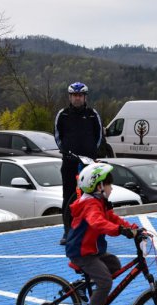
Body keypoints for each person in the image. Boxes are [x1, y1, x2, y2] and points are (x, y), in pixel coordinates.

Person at [65, 163, 138, 305]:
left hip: (93, 250)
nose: (111, 188)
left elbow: (112, 218)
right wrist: (119, 231)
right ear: (98, 186)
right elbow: (97, 222)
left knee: (114, 264)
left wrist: (134, 228)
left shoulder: (99, 202)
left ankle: (82, 287)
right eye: (109, 184)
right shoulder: (91, 205)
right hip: (81, 252)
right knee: (105, 281)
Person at [54, 82, 103, 245]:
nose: (77, 98)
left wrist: (90, 154)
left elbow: (99, 136)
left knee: (91, 198)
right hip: (69, 162)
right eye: (74, 95)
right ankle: (67, 231)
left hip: (88, 164)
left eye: (80, 95)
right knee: (68, 197)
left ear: (85, 97)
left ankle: (91, 230)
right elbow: (57, 136)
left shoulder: (92, 114)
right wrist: (66, 152)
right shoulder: (63, 114)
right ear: (70, 97)